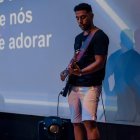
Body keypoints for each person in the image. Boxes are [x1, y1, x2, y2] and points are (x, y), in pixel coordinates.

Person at [60, 3, 109, 140]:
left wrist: (81, 73)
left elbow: (100, 62)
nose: (80, 21)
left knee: (89, 123)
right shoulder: (78, 38)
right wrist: (66, 71)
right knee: (76, 123)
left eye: (83, 17)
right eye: (77, 18)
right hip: (73, 85)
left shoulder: (100, 36)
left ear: (91, 16)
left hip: (90, 86)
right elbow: (76, 58)